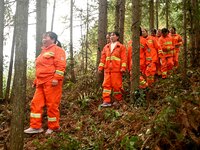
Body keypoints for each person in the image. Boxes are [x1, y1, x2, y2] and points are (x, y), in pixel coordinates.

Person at [24, 31, 66, 134]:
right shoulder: (43, 52)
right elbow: (41, 68)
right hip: (40, 83)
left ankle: (54, 127)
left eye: (46, 37)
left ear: (53, 39)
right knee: (36, 103)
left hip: (51, 82)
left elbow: (61, 65)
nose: (43, 39)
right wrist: (35, 80)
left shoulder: (58, 50)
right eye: (43, 37)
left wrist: (57, 78)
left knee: (52, 104)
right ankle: (35, 127)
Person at [98, 31, 127, 107]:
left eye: (113, 35)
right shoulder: (106, 47)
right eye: (111, 35)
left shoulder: (121, 47)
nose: (111, 36)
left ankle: (118, 100)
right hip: (107, 70)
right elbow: (102, 58)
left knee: (117, 85)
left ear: (117, 37)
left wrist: (123, 68)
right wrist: (100, 67)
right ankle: (106, 101)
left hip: (116, 70)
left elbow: (124, 58)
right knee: (106, 85)